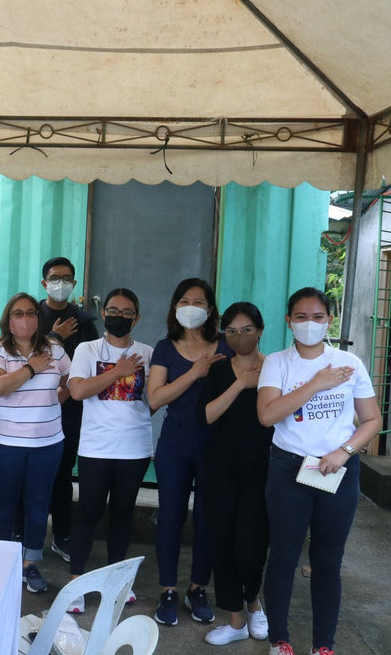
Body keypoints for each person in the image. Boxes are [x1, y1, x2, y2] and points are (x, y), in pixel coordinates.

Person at [257, 288, 379, 655]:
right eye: (301, 317)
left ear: (330, 320)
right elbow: (267, 416)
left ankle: (323, 645)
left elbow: (372, 420)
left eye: (318, 317)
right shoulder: (277, 362)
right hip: (288, 468)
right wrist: (317, 384)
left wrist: (343, 452)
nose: (309, 324)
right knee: (283, 556)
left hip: (336, 469)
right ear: (288, 321)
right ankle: (280, 640)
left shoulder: (350, 363)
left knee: (327, 561)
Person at [147, 277, 231, 626]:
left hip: (216, 443)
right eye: (184, 301)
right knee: (170, 516)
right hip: (176, 441)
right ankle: (168, 589)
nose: (191, 307)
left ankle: (198, 588)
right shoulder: (165, 347)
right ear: (175, 307)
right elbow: (155, 398)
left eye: (198, 302)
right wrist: (195, 372)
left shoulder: (226, 345)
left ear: (210, 309)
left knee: (208, 518)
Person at [65, 288, 153, 614]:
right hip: (95, 448)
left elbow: (152, 400)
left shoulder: (148, 352)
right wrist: (117, 371)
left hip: (134, 449)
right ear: (104, 315)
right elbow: (77, 391)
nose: (119, 316)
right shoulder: (87, 350)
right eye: (113, 310)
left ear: (137, 318)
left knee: (122, 514)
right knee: (87, 514)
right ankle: (76, 582)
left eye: (127, 312)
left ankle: (117, 581)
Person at [0, 292, 69, 594]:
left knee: (37, 504)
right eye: (18, 314)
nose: (26, 319)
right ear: (8, 320)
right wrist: (31, 368)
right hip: (7, 443)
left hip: (48, 443)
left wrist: (57, 397)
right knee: (4, 504)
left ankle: (30, 564)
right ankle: (2, 564)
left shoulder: (54, 349)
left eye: (31, 313)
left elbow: (70, 379)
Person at [198, 302, 272, 646]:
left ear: (259, 330)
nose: (239, 337)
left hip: (262, 471)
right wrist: (241, 383)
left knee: (252, 546)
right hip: (219, 470)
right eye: (231, 331)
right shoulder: (218, 370)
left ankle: (255, 603)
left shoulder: (276, 368)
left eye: (246, 330)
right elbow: (209, 415)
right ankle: (236, 619)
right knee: (223, 544)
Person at [37, 256, 99, 562]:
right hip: (32, 408)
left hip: (71, 410)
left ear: (74, 283)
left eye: (66, 278)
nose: (60, 283)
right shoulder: (30, 314)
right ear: (44, 282)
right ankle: (25, 536)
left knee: (62, 473)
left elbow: (93, 365)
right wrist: (54, 338)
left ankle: (62, 535)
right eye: (54, 277)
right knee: (32, 474)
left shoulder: (85, 321)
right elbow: (23, 358)